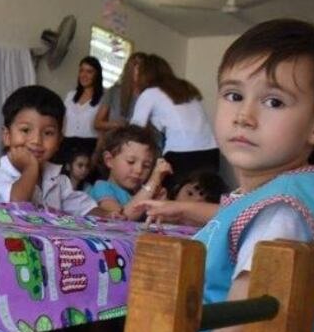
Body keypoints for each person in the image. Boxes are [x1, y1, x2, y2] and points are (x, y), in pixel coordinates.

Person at [28, 19, 314, 332]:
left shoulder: (278, 214)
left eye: (274, 101)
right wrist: (187, 210)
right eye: (234, 95)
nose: (245, 115)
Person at [0, 85, 111, 216]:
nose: (36, 140)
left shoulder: (58, 181)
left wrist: (108, 215)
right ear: (7, 136)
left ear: (59, 141)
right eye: (25, 130)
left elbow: (83, 208)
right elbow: (16, 204)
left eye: (48, 133)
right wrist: (30, 168)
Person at [130, 53, 219, 184]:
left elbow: (134, 132)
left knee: (171, 194)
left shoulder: (150, 93)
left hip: (181, 154)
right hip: (211, 152)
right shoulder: (186, 89)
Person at [88, 125, 171, 219]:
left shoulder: (142, 192)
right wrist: (152, 183)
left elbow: (171, 220)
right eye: (130, 162)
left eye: (146, 165)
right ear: (109, 160)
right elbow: (121, 218)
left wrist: (161, 204)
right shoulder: (102, 187)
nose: (139, 170)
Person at [57, 57, 103, 164]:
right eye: (81, 70)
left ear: (97, 74)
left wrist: (96, 154)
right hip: (67, 144)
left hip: (89, 146)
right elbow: (63, 122)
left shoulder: (103, 98)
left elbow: (102, 131)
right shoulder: (71, 95)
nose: (84, 75)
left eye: (89, 72)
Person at [93, 52, 146, 134]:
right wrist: (116, 124)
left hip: (138, 140)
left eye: (144, 69)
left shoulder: (149, 94)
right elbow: (97, 123)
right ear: (130, 69)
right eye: (138, 68)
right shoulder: (113, 92)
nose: (142, 72)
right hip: (115, 139)